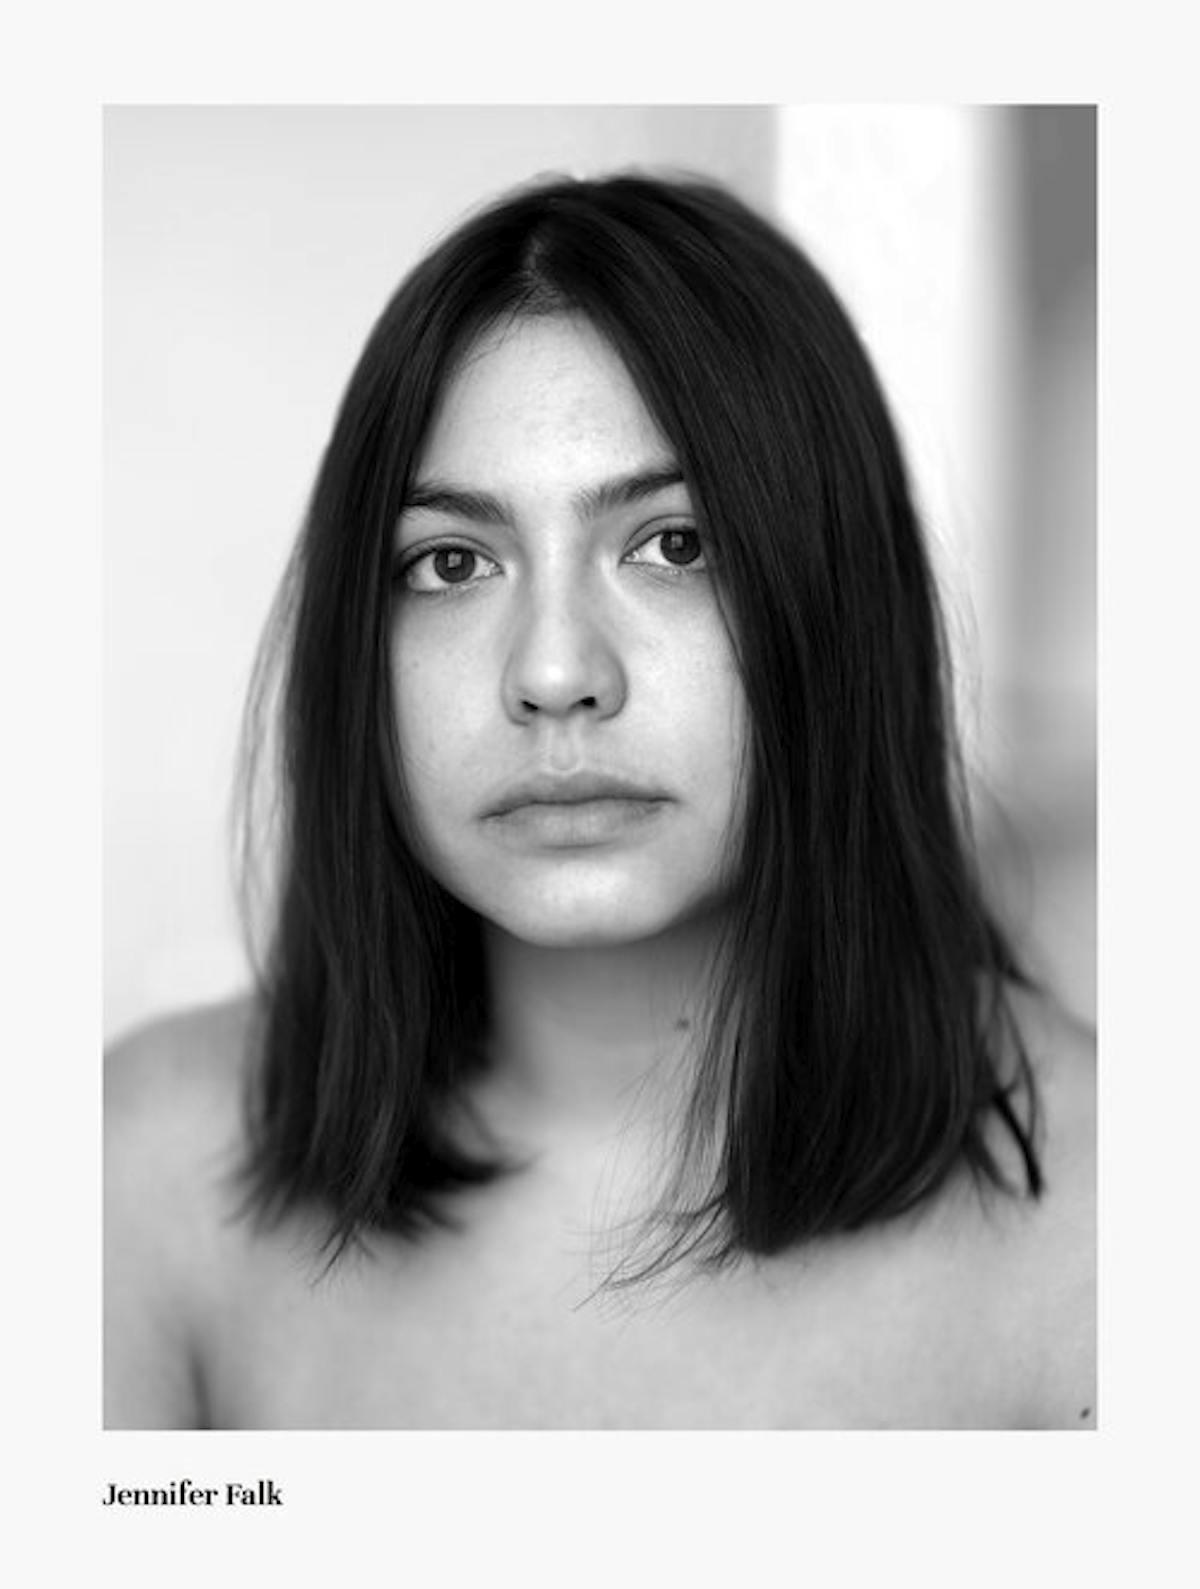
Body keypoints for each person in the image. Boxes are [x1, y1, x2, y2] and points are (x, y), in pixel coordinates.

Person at [104, 171, 1095, 1430]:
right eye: (452, 562)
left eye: (677, 544)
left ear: (839, 601)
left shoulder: (1110, 1220)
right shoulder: (141, 1168)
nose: (556, 671)